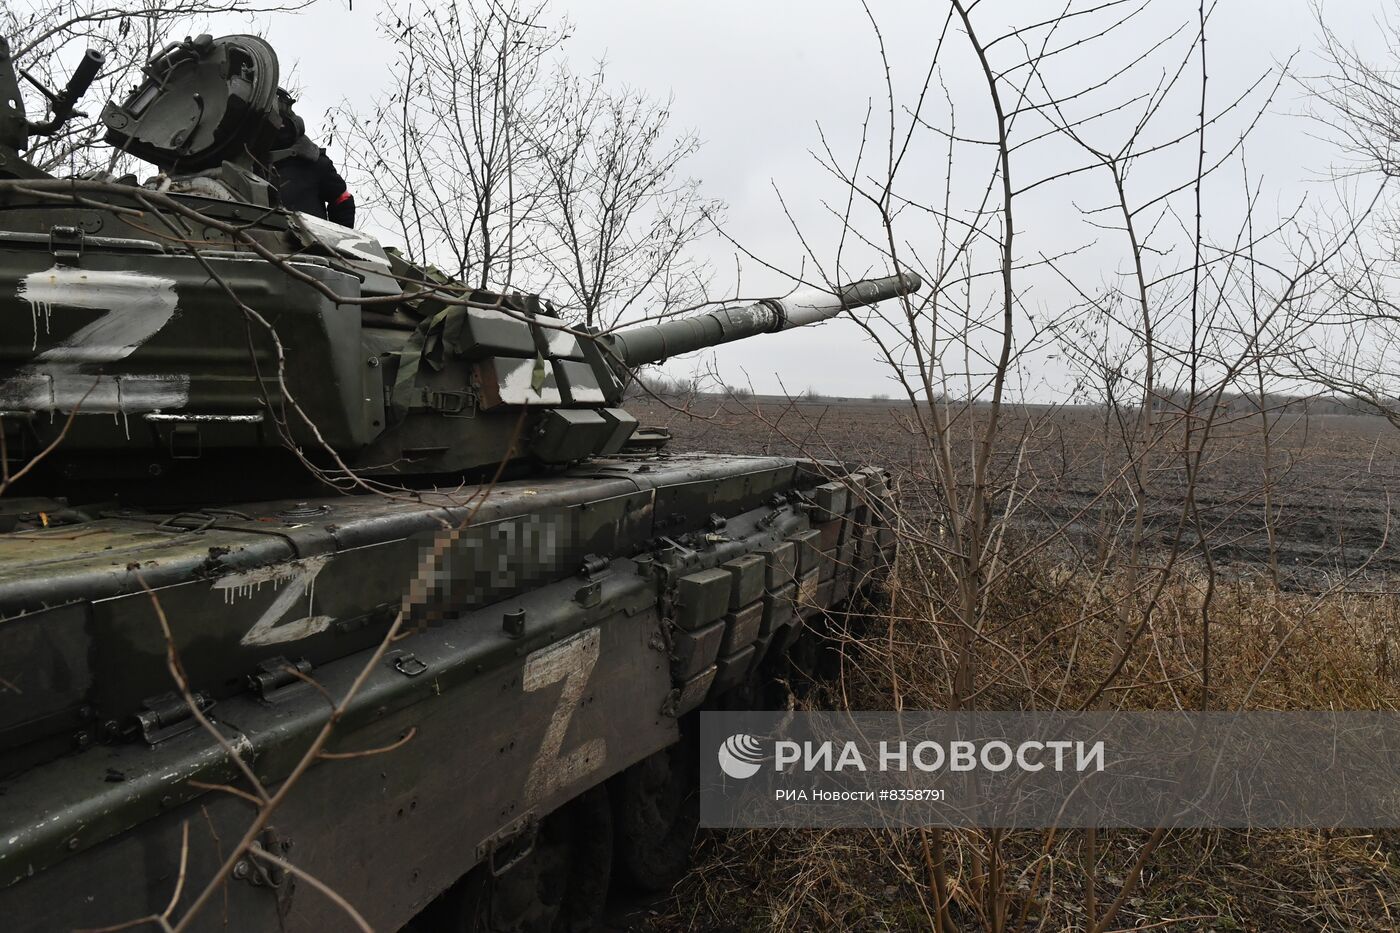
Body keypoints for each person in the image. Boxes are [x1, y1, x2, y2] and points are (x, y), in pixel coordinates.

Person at [267, 90, 355, 226]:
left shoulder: (314, 162)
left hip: (309, 243)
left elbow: (342, 200)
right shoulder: (246, 162)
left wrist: (336, 241)